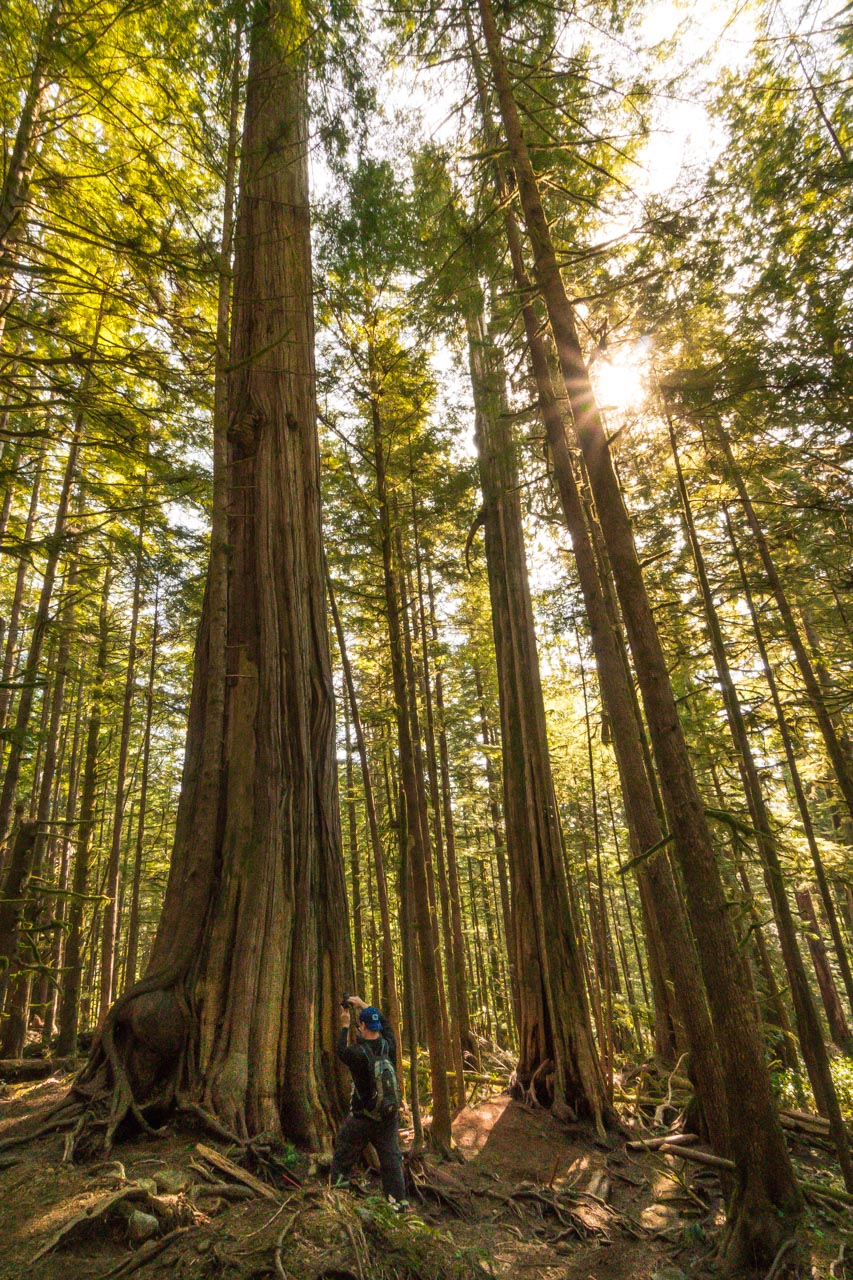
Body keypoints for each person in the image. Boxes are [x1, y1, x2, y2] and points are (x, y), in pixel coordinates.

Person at [330, 995, 408, 1210]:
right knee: (391, 1158)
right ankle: (399, 1204)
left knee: (343, 1152)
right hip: (389, 1117)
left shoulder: (358, 1053)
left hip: (363, 1118)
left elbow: (341, 1051)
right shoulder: (389, 1046)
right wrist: (365, 1006)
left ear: (362, 1025)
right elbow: (387, 1025)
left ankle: (338, 1199)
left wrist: (345, 1025)